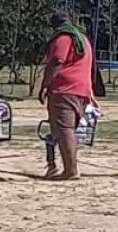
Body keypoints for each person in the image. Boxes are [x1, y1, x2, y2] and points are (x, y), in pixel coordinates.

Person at [38, 10, 95, 180]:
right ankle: (71, 166)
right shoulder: (83, 39)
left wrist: (45, 85)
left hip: (64, 89)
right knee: (69, 130)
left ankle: (71, 169)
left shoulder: (63, 38)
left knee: (64, 130)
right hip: (81, 89)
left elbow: (57, 61)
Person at [45, 99, 101, 177]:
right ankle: (70, 164)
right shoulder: (90, 109)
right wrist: (95, 103)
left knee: (50, 138)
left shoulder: (69, 105)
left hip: (72, 134)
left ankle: (52, 166)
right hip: (82, 135)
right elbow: (98, 112)